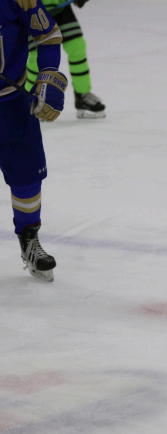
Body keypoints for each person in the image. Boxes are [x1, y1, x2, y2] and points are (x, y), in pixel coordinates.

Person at [0, 0, 68, 282]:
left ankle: (29, 239)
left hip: (10, 103)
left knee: (27, 177)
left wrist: (47, 74)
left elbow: (49, 35)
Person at [25, 0, 105, 119]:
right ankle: (27, 100)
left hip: (60, 6)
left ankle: (82, 95)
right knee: (38, 55)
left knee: (76, 46)